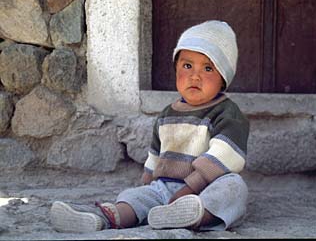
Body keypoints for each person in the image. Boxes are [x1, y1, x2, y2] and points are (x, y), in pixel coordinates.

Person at [50, 20, 250, 233]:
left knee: (234, 188)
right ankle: (107, 217)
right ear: (176, 69)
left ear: (223, 80)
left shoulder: (227, 113)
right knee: (136, 196)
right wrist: (147, 183)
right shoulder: (167, 115)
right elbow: (155, 156)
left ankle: (196, 216)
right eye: (187, 65)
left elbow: (225, 156)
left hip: (205, 188)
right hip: (164, 188)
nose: (195, 75)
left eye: (208, 68)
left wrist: (190, 189)